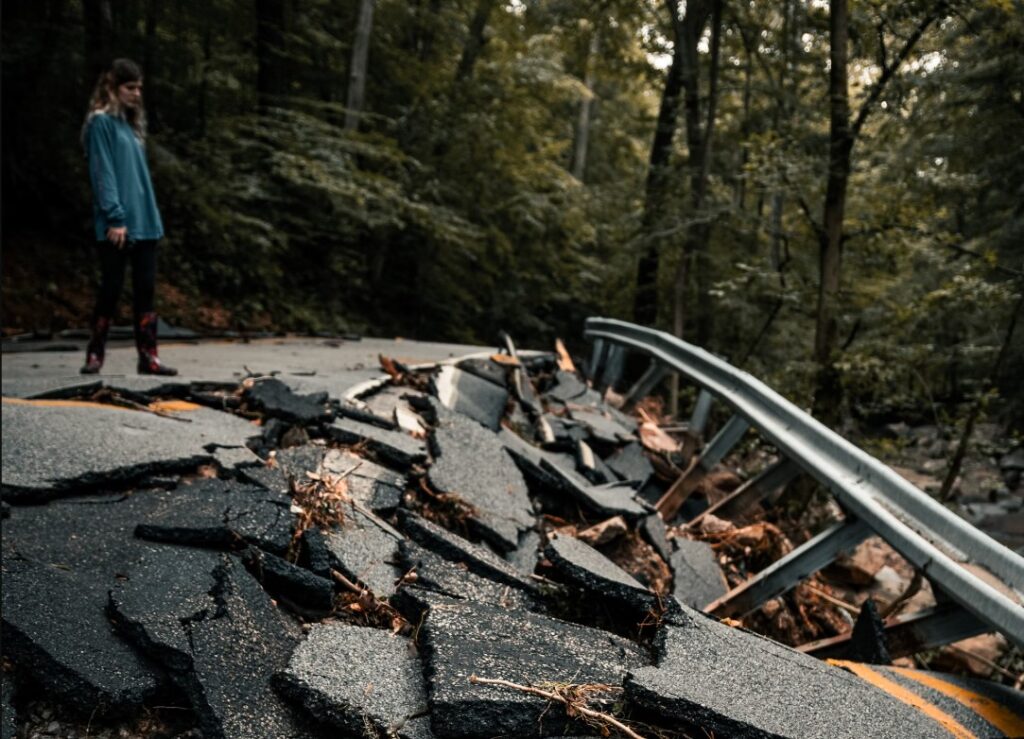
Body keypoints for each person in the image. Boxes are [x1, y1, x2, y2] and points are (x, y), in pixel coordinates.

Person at [80, 58, 176, 375]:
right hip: (117, 223)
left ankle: (148, 357)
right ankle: (95, 353)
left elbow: (138, 178)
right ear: (113, 87)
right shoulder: (100, 123)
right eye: (130, 87)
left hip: (145, 221)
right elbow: (102, 172)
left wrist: (151, 218)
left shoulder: (131, 127)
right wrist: (115, 217)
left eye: (139, 88)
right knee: (111, 288)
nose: (136, 93)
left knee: (145, 290)